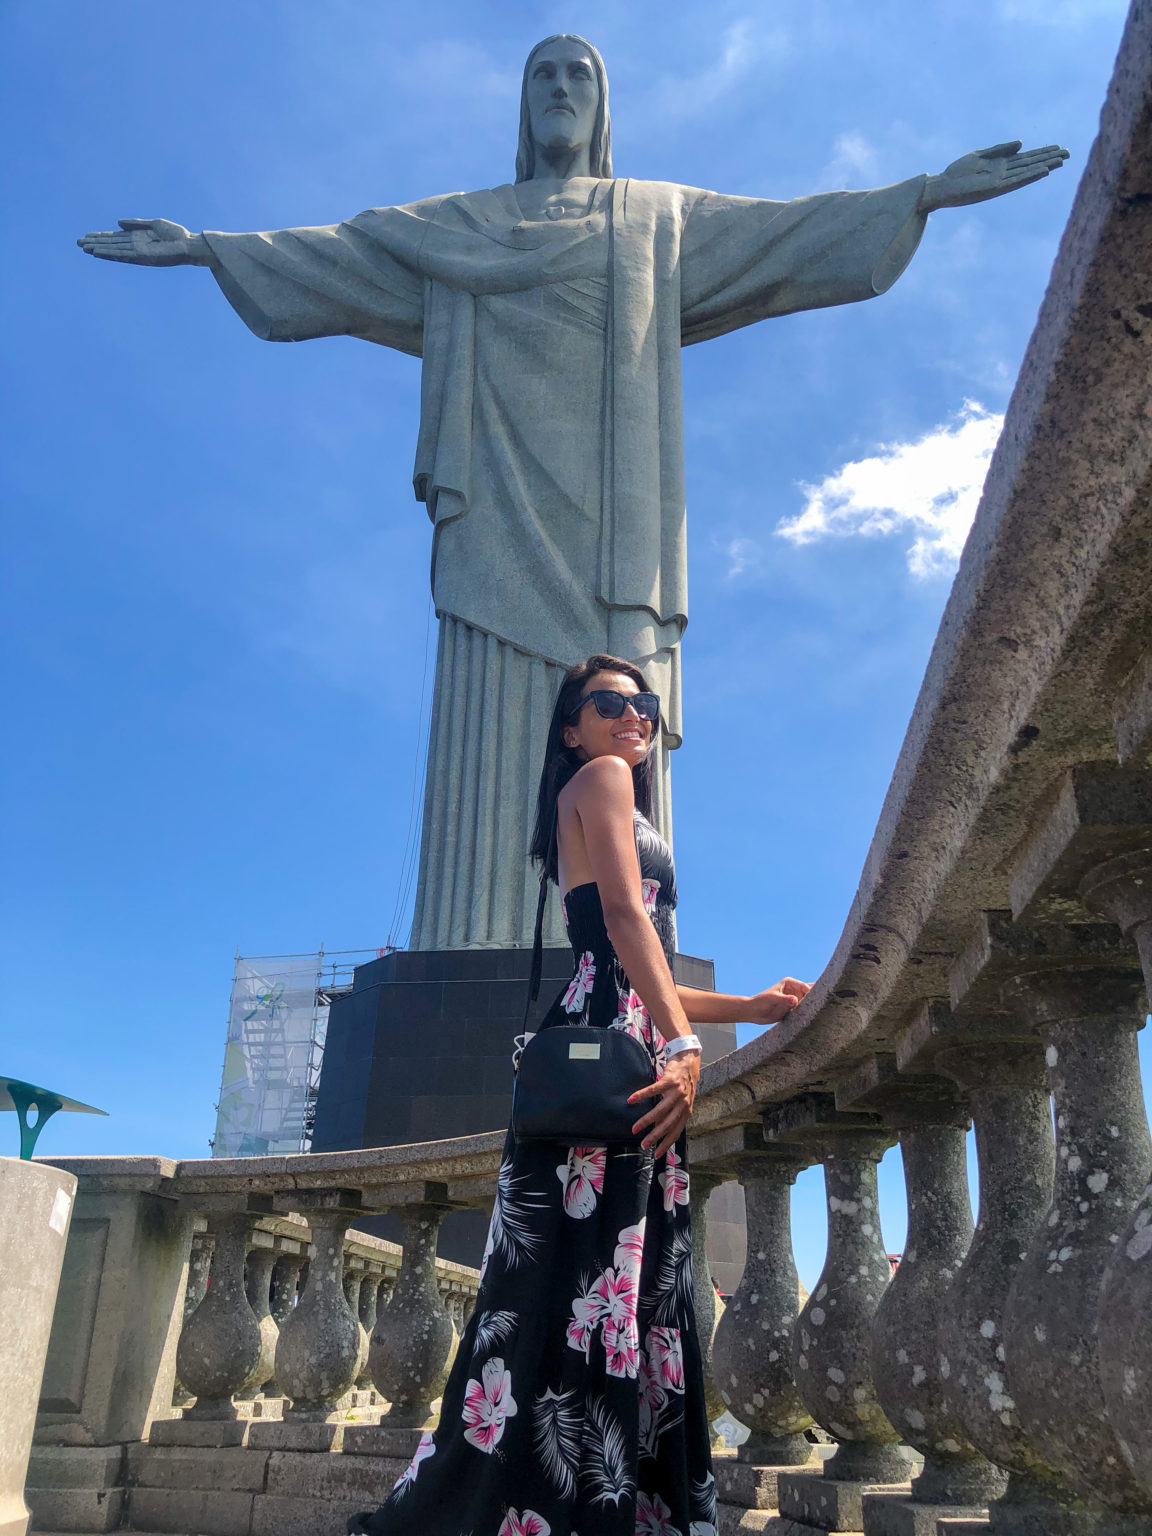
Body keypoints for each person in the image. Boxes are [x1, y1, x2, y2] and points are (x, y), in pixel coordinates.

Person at [76, 36, 1068, 953]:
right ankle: (470, 937)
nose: (559, 90)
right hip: (497, 503)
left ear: (601, 108)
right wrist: (211, 247)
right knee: (498, 709)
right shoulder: (458, 228)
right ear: (523, 108)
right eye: (542, 76)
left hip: (617, 526)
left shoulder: (655, 217)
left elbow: (789, 234)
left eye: (578, 76)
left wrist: (924, 195)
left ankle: (622, 943)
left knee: (619, 704)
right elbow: (342, 254)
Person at [349, 654, 810, 1536]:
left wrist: (744, 1008)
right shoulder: (598, 777)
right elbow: (628, 928)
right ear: (572, 727)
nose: (632, 715)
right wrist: (681, 1043)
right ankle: (588, 1499)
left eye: (644, 705)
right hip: (622, 1051)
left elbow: (648, 963)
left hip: (620, 1035)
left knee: (586, 1284)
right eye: (609, 703)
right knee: (604, 1281)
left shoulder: (616, 795)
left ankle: (569, 1495)